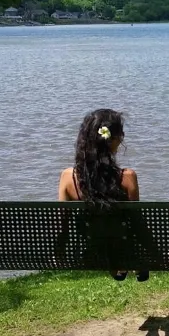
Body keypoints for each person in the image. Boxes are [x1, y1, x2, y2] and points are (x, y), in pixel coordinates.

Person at [57, 108, 149, 282]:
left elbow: (62, 226)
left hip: (86, 254)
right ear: (113, 139)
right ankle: (121, 267)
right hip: (122, 254)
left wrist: (58, 254)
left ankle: (115, 268)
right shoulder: (128, 177)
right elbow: (137, 224)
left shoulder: (67, 177)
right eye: (121, 134)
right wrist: (154, 253)